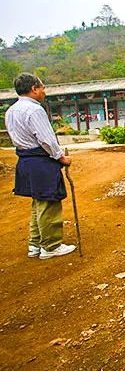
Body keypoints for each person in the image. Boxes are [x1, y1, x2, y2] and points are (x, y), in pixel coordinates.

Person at [5, 73, 76, 259]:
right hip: (40, 161)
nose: (44, 92)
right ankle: (51, 246)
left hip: (26, 160)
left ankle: (35, 244)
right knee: (48, 201)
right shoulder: (35, 110)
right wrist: (61, 158)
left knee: (38, 202)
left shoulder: (11, 110)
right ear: (34, 89)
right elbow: (46, 140)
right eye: (43, 87)